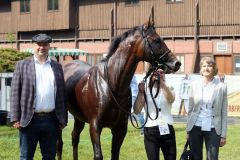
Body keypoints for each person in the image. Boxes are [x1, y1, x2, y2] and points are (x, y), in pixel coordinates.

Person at [10, 33, 68, 160]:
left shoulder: (57, 66)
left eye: (45, 44)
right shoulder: (22, 65)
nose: (42, 47)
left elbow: (62, 94)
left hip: (51, 120)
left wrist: (63, 118)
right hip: (28, 120)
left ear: (49, 46)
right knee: (26, 157)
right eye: (39, 44)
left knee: (49, 157)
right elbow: (15, 92)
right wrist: (15, 117)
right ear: (33, 46)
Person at [186, 57, 228, 160]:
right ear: (201, 69)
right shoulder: (193, 85)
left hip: (213, 128)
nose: (206, 68)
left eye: (209, 66)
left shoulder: (222, 87)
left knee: (213, 157)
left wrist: (223, 135)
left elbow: (224, 112)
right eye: (204, 66)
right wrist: (188, 130)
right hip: (195, 127)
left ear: (214, 69)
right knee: (196, 157)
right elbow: (190, 110)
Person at [134, 68, 176, 160]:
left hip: (167, 128)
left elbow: (171, 99)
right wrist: (141, 93)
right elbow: (137, 110)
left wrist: (162, 85)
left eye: (161, 73)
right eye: (156, 73)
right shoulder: (145, 90)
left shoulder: (170, 88)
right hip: (151, 129)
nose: (159, 75)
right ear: (151, 76)